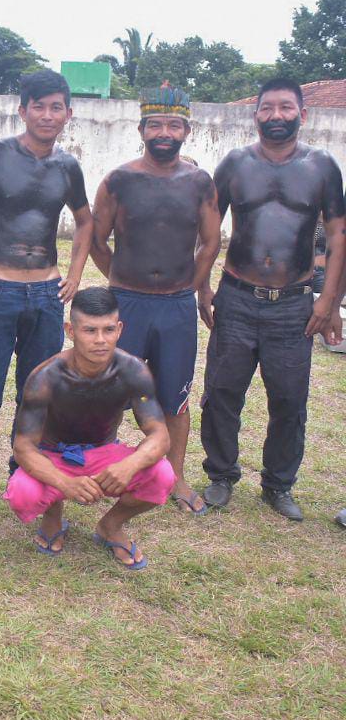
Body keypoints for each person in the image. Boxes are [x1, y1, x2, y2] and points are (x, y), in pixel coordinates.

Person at [0, 70, 93, 525]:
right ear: (22, 108)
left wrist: (73, 274)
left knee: (37, 394)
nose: (47, 115)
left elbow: (85, 221)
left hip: (46, 296)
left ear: (68, 113)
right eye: (38, 106)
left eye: (56, 107)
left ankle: (21, 475)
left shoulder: (67, 166)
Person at [199, 78, 345, 520]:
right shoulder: (235, 164)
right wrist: (201, 285)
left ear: (304, 114)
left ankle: (278, 485)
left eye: (286, 107)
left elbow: (339, 234)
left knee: (289, 399)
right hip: (237, 297)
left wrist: (331, 301)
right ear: (255, 113)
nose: (276, 115)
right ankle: (221, 476)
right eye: (267, 108)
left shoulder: (322, 167)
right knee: (222, 391)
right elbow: (208, 228)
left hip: (294, 304)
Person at [90, 84, 221, 516]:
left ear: (187, 130)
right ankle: (102, 468)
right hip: (127, 303)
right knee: (110, 390)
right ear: (142, 129)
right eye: (156, 124)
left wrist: (191, 286)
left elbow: (210, 241)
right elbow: (96, 238)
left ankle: (175, 477)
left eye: (174, 125)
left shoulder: (199, 182)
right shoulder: (120, 180)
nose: (164, 132)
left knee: (175, 397)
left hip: (177, 307)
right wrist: (119, 279)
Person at [5, 287, 174, 570]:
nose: (100, 340)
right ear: (70, 330)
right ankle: (53, 516)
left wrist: (129, 465)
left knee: (162, 475)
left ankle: (111, 525)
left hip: (106, 453)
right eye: (90, 330)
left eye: (108, 330)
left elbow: (160, 435)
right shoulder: (45, 377)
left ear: (120, 329)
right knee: (22, 492)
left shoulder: (133, 371)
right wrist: (65, 483)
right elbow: (23, 447)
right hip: (54, 456)